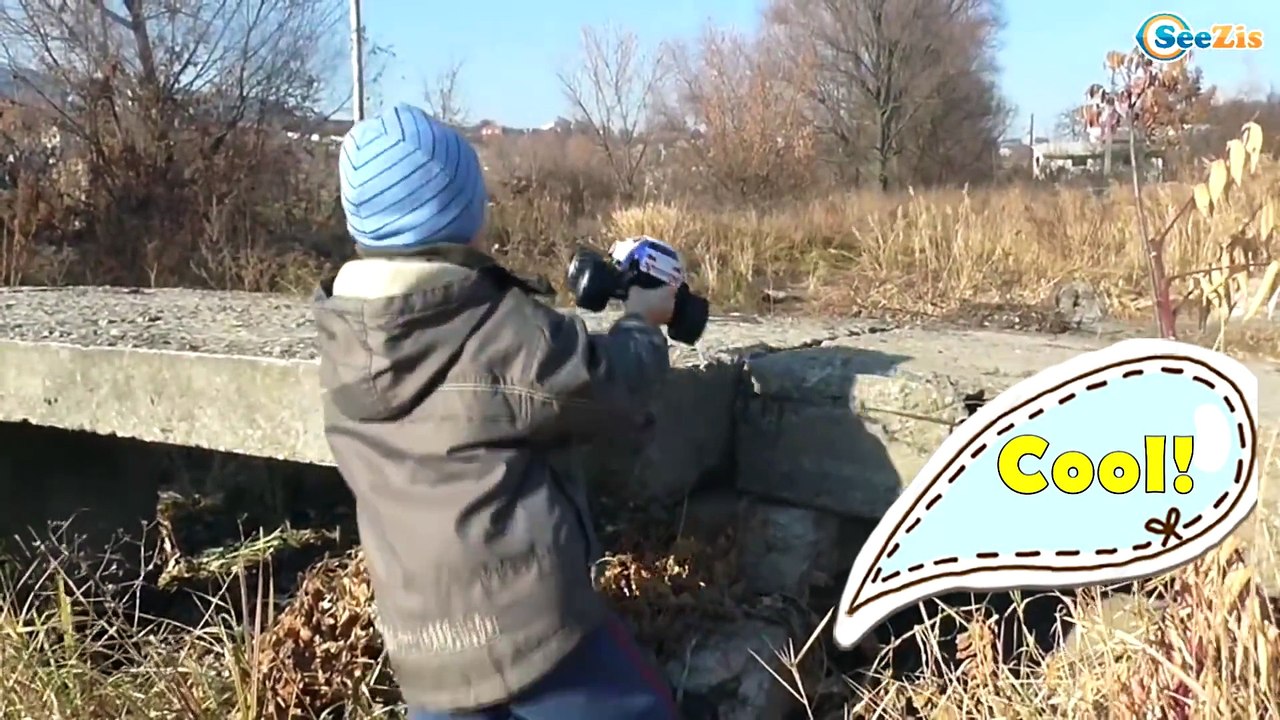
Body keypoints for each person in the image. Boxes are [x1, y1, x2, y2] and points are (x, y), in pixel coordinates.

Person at [312, 102, 682, 720]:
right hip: (535, 635)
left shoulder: (341, 338)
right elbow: (609, 385)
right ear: (460, 215)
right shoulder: (499, 328)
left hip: (420, 647)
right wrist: (643, 322)